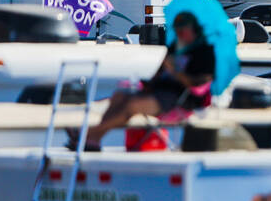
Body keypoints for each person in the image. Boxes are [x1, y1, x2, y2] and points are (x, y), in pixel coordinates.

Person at [76, 12, 216, 150]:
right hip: (160, 91)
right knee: (120, 96)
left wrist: (175, 72)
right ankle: (93, 139)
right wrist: (146, 84)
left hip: (181, 100)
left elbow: (199, 85)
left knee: (131, 105)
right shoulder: (176, 47)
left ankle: (89, 135)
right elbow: (159, 74)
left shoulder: (204, 54)